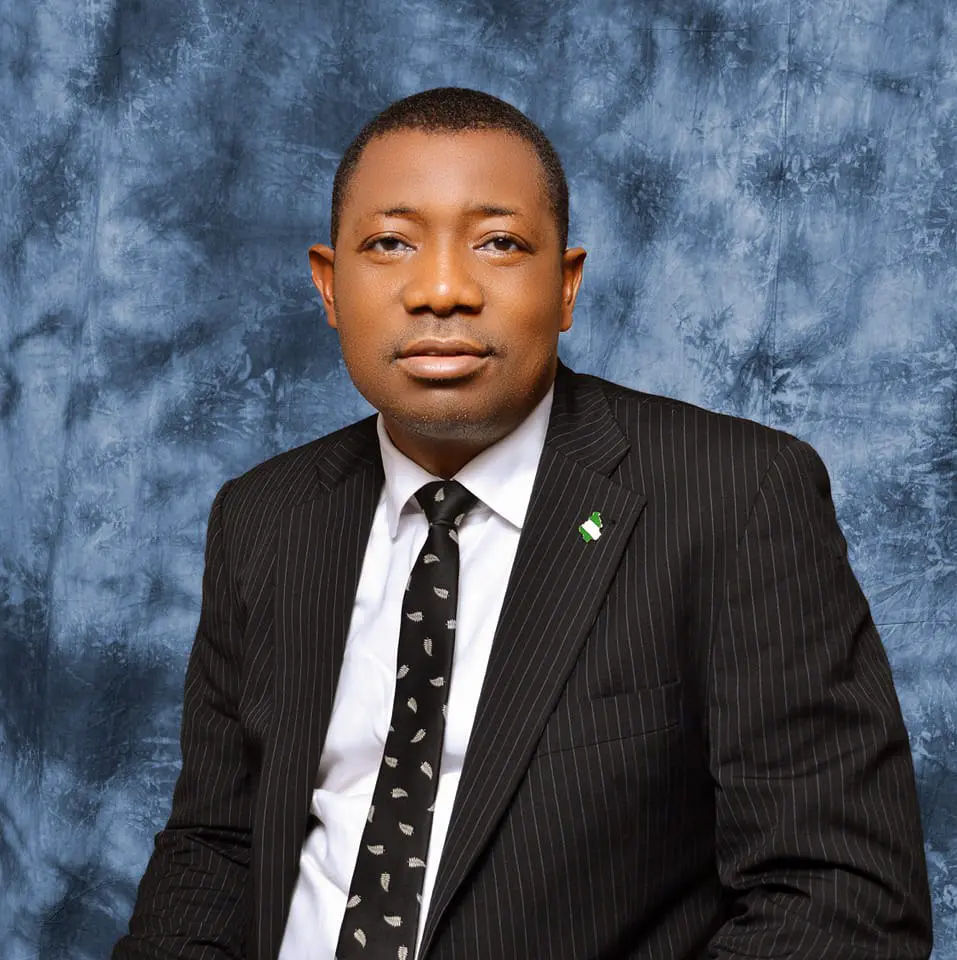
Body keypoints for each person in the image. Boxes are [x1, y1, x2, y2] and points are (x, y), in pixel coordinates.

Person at [113, 86, 933, 960]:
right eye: (390, 243)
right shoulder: (264, 516)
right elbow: (216, 845)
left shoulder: (735, 494)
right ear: (329, 285)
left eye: (498, 243)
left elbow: (840, 897)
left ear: (566, 285)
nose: (441, 290)